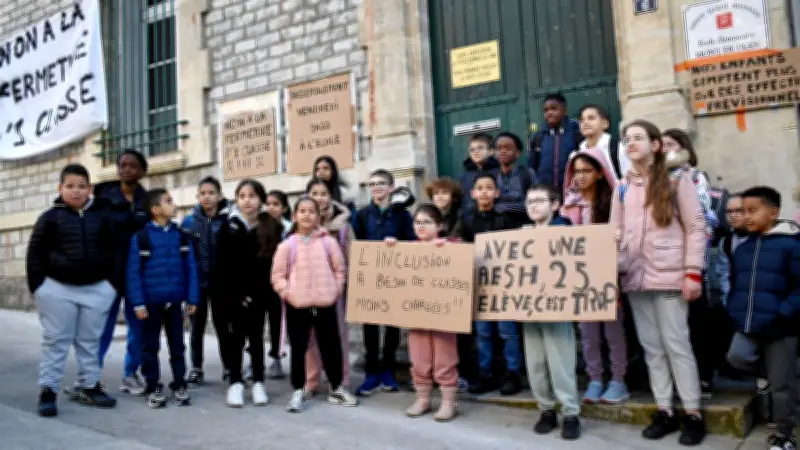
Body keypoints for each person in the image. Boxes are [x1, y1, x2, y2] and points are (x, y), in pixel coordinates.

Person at [611, 119, 707, 445]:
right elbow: (615, 234)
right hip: (635, 279)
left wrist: (693, 272)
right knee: (652, 349)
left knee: (677, 345)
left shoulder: (677, 178)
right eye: (627, 139)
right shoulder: (621, 187)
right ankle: (664, 409)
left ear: (655, 144)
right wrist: (614, 275)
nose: (631, 143)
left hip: (670, 276)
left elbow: (696, 227)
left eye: (638, 138)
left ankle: (693, 412)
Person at [28, 164, 119, 417]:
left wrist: (112, 285)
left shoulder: (102, 216)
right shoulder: (50, 217)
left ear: (89, 189)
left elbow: (115, 250)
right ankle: (48, 391)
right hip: (57, 289)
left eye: (81, 186)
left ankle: (89, 386)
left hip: (98, 289)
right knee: (56, 341)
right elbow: (35, 253)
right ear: (60, 189)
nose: (76, 191)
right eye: (70, 186)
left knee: (90, 341)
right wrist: (39, 286)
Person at [725, 186, 800, 450]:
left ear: (774, 212)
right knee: (736, 356)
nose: (745, 216)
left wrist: (784, 312)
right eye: (743, 211)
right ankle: (766, 373)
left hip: (782, 327)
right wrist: (734, 310)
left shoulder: (791, 244)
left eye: (752, 211)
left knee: (782, 386)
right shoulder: (744, 248)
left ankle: (785, 434)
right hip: (749, 324)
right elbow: (737, 285)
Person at [271, 196, 359, 413]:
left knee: (331, 347)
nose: (307, 215)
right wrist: (288, 293)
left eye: (312, 211)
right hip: (297, 306)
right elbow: (277, 275)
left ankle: (337, 387)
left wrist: (335, 290)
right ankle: (298, 390)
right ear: (294, 216)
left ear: (319, 216)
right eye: (302, 211)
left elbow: (340, 269)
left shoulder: (328, 242)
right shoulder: (287, 245)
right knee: (299, 349)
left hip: (325, 305)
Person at [562, 146, 630, 404]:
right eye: (576, 171)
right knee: (588, 334)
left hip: (609, 277)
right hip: (580, 280)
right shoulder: (568, 206)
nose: (580, 176)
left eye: (586, 171)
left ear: (600, 173)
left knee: (613, 332)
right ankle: (595, 379)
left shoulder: (615, 201)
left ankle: (618, 380)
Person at [384, 204, 461, 421]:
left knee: (445, 358)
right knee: (419, 358)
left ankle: (449, 401)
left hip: (444, 316)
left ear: (440, 226)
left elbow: (463, 262)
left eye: (426, 222)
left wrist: (446, 248)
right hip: (417, 316)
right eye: (417, 222)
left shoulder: (452, 245)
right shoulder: (409, 250)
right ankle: (423, 398)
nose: (421, 226)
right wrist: (391, 248)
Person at [662, 128, 722, 399]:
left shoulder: (694, 177)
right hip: (662, 262)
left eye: (671, 144)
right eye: (660, 145)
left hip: (689, 258)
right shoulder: (651, 179)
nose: (664, 149)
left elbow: (701, 216)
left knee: (696, 320)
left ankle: (704, 377)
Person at [126, 188, 199, 408]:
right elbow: (133, 273)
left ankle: (179, 383)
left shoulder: (181, 235)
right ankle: (152, 385)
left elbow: (191, 268)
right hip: (150, 304)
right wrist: (138, 302)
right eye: (169, 201)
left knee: (178, 346)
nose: (174, 204)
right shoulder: (141, 238)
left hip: (175, 303)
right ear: (156, 210)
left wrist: (192, 299)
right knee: (150, 347)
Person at [215, 180, 284, 407]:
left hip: (261, 295)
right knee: (235, 339)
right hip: (233, 295)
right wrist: (236, 295)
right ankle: (235, 382)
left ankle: (258, 382)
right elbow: (224, 267)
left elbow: (272, 265)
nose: (247, 200)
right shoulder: (228, 227)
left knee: (256, 339)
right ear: (236, 199)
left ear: (261, 200)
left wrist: (258, 294)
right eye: (242, 195)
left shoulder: (272, 227)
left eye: (253, 195)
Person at [522, 184, 581, 440]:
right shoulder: (520, 237)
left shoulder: (567, 231)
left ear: (555, 205)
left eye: (539, 200)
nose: (533, 205)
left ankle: (570, 412)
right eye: (529, 201)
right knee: (535, 362)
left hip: (558, 308)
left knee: (561, 361)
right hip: (529, 309)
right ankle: (546, 409)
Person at [352, 169, 416, 395]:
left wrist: (397, 243)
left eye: (381, 183)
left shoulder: (403, 215)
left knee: (392, 326)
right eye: (372, 184)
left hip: (395, 279)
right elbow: (355, 244)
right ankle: (372, 373)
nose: (376, 187)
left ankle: (388, 371)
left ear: (391, 187)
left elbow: (413, 242)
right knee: (370, 328)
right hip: (370, 280)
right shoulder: (361, 215)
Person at [94, 149, 149, 397]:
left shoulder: (147, 199)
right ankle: (91, 374)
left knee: (138, 326)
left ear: (142, 171)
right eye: (122, 165)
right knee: (102, 326)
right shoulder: (104, 196)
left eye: (132, 165)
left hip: (137, 273)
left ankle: (130, 374)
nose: (126, 169)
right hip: (109, 271)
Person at [462, 173, 523, 396]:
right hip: (480, 285)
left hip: (504, 284)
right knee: (483, 332)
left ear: (497, 193)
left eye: (490, 188)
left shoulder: (506, 217)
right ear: (473, 193)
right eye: (480, 188)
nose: (485, 192)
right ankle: (485, 373)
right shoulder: (468, 220)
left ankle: (513, 373)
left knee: (508, 331)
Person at [305, 178, 354, 397]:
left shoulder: (343, 225)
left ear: (330, 196)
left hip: (335, 290)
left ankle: (340, 379)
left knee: (338, 335)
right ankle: (311, 380)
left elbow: (351, 257)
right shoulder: (301, 224)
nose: (319, 198)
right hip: (307, 289)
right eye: (314, 193)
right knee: (310, 337)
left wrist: (343, 285)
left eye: (323, 193)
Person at [181, 176, 231, 386]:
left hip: (221, 285)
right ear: (197, 196)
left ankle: (229, 367)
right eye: (203, 193)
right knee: (196, 328)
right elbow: (183, 256)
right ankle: (196, 367)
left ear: (219, 196)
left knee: (223, 327)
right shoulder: (189, 222)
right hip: (196, 285)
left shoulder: (228, 220)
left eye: (211, 193)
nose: (207, 197)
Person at [424, 177, 472, 390]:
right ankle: (435, 372)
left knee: (458, 333)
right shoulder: (425, 216)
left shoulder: (462, 216)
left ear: (453, 196)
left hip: (454, 281)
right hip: (431, 282)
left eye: (444, 192)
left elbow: (465, 243)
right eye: (436, 193)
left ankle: (459, 373)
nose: (440, 196)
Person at [529, 93, 583, 189]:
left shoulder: (576, 132)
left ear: (565, 111)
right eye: (546, 110)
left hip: (572, 190)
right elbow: (532, 166)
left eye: (554, 109)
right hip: (546, 191)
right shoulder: (539, 136)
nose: (549, 113)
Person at [493, 132, 539, 224]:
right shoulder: (492, 176)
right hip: (498, 229)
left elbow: (536, 203)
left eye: (508, 148)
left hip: (525, 227)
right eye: (499, 148)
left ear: (517, 153)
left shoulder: (527, 174)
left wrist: (502, 207)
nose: (503, 151)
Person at [577, 104, 629, 179]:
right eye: (582, 119)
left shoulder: (620, 149)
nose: (585, 122)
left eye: (591, 118)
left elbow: (630, 182)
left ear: (605, 124)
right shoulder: (577, 153)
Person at [459, 132, 499, 226]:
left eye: (480, 148)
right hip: (470, 224)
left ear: (491, 151)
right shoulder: (465, 176)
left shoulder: (499, 172)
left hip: (494, 224)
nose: (476, 152)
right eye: (472, 150)